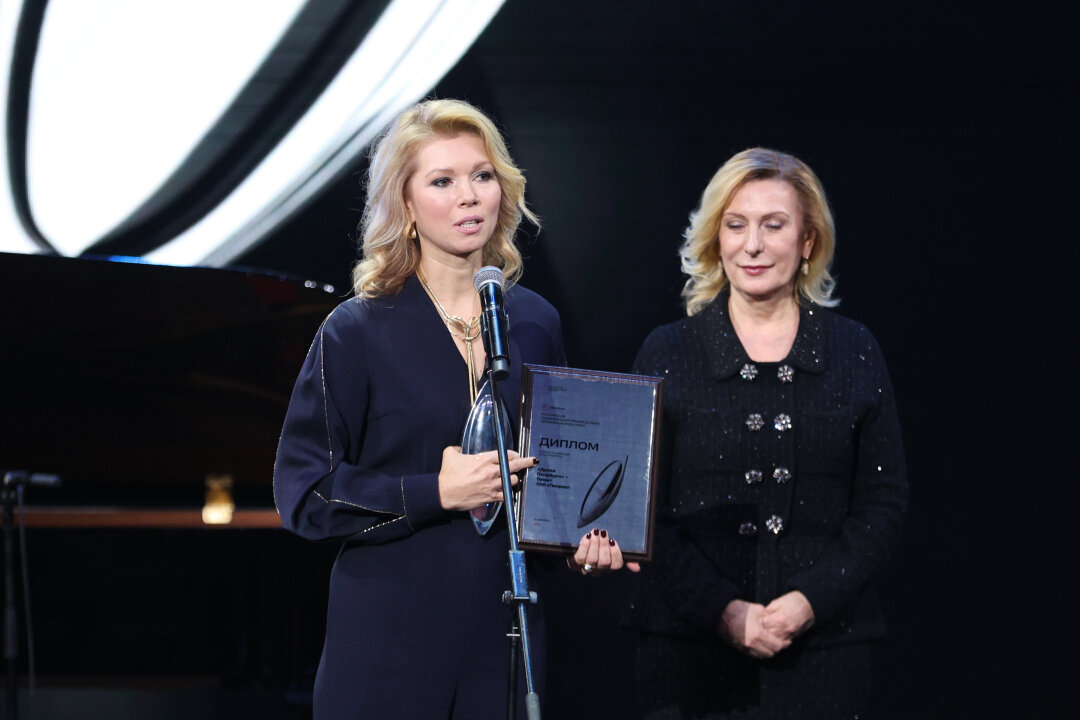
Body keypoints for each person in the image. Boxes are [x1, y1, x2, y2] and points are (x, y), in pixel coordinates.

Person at [273, 98, 632, 720]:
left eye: (482, 176)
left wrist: (580, 542)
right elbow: (304, 495)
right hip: (387, 642)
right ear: (405, 205)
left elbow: (552, 478)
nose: (469, 196)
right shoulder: (356, 330)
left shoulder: (535, 321)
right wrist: (433, 491)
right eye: (442, 181)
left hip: (504, 637)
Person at [628, 148, 908, 719]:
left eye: (773, 225)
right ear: (717, 238)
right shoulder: (667, 351)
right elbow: (643, 509)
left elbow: (883, 502)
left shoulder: (854, 349)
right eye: (736, 225)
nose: (752, 245)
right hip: (688, 657)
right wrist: (724, 611)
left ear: (807, 242)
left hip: (825, 654)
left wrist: (809, 602)